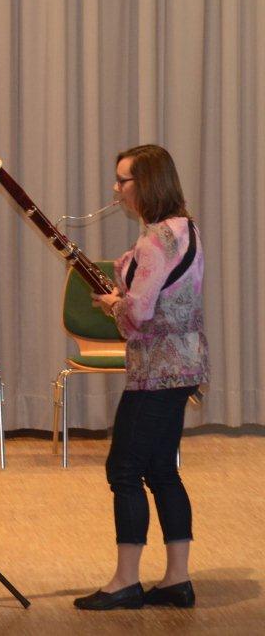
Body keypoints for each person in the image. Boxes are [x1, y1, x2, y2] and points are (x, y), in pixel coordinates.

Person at [77, 144, 209, 610]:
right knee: (161, 469)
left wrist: (113, 302)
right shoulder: (186, 227)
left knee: (124, 469)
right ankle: (177, 579)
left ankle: (125, 581)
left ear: (147, 183)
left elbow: (139, 314)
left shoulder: (155, 240)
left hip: (156, 370)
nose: (116, 189)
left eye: (123, 180)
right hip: (186, 364)